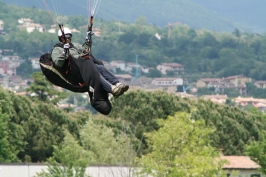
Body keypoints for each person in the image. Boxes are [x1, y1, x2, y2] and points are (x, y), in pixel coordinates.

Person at [50, 27, 129, 114]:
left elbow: (85, 50)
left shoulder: (75, 46)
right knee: (94, 72)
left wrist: (88, 40)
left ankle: (117, 84)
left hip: (86, 67)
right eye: (66, 38)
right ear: (61, 38)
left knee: (100, 68)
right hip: (76, 72)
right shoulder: (57, 49)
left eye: (69, 37)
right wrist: (64, 52)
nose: (68, 39)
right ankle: (112, 89)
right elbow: (58, 63)